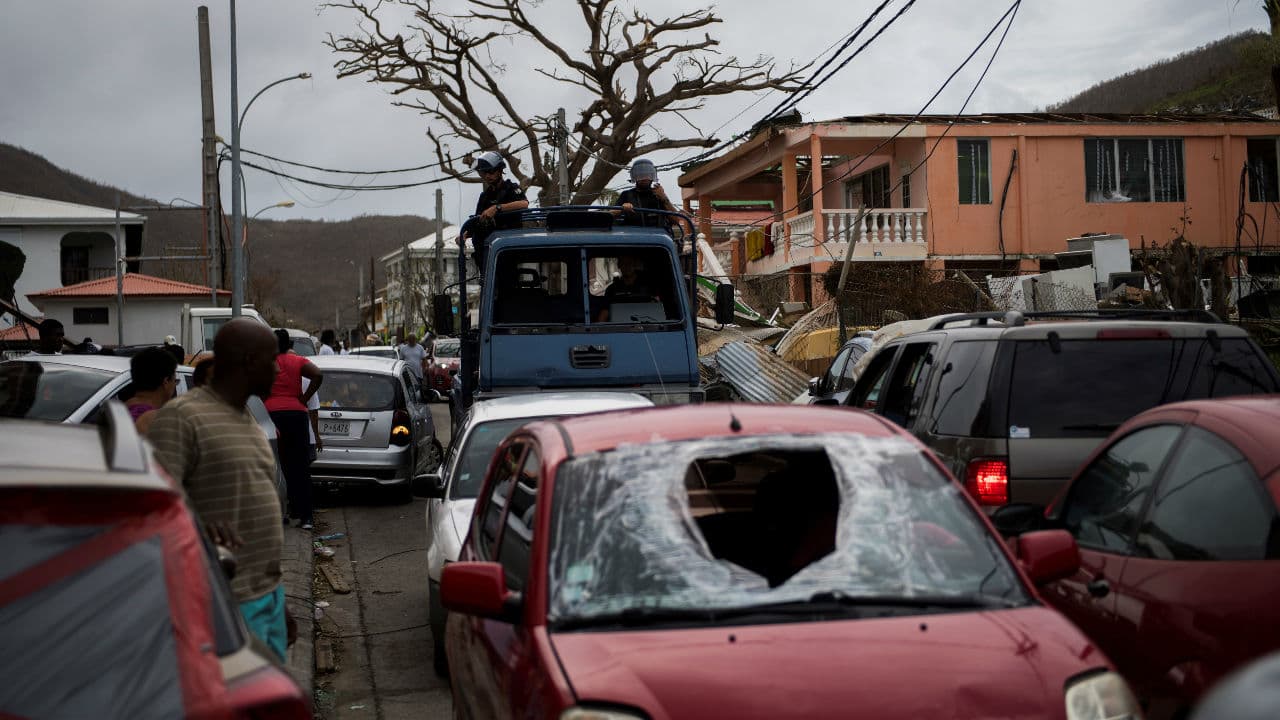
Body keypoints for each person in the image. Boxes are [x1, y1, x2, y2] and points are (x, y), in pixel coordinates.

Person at [147, 318, 294, 660]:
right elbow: (154, 512)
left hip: (266, 595)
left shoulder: (247, 417)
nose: (278, 369)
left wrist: (279, 601)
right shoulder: (182, 417)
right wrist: (197, 530)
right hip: (224, 607)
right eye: (272, 360)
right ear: (249, 362)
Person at [267, 328, 323, 530]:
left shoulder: (267, 363)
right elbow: (318, 374)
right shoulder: (297, 361)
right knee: (300, 466)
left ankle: (282, 513)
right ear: (289, 344)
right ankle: (306, 517)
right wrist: (304, 398)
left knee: (276, 465)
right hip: (297, 415)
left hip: (271, 416)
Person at [463, 151, 529, 277]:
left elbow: (524, 204)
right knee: (487, 282)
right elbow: (478, 220)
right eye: (484, 173)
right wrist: (465, 234)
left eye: (491, 172)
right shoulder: (485, 196)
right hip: (487, 250)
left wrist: (497, 208)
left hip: (507, 247)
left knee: (506, 280)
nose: (488, 176)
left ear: (499, 171)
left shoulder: (511, 188)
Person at [126, 347, 178, 433]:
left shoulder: (117, 413)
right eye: (175, 380)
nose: (174, 385)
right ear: (166, 382)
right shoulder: (157, 423)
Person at [614, 159, 676, 228]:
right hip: (633, 233)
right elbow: (611, 213)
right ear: (635, 176)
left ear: (652, 176)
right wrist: (622, 208)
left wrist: (664, 197)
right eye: (641, 175)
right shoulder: (626, 194)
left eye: (647, 175)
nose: (644, 178)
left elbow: (676, 220)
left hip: (659, 233)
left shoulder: (659, 194)